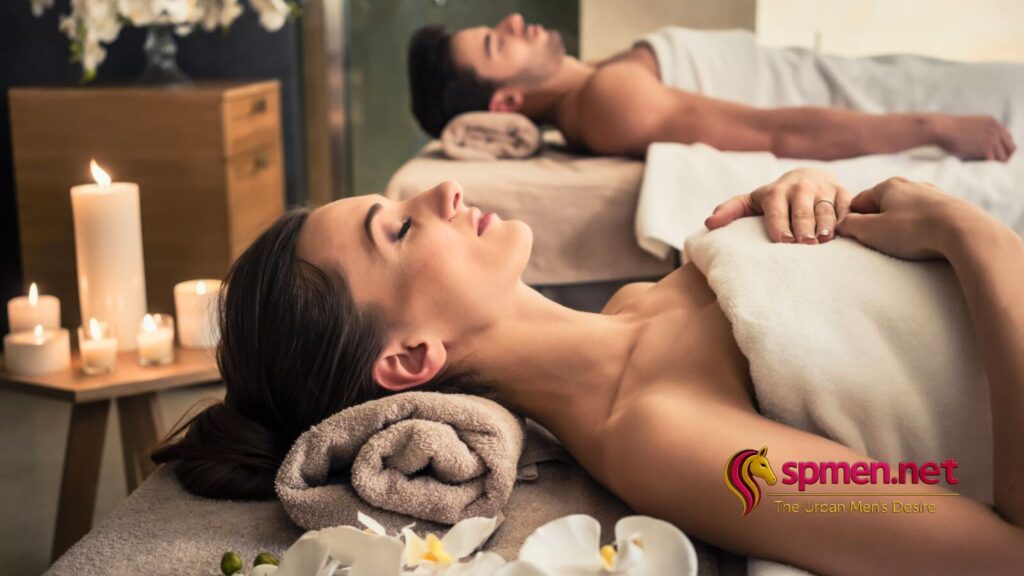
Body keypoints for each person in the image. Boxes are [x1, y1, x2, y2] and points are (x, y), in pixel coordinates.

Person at [152, 170, 1024, 573]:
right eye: (403, 229)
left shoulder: (640, 302)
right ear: (412, 358)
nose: (443, 193)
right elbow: (999, 557)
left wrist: (812, 201)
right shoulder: (656, 436)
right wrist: (971, 236)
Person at [407, 13, 1019, 162]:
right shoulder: (609, 103)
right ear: (507, 102)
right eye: (498, 44)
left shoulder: (598, 75)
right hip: (903, 109)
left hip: (883, 81)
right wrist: (935, 127)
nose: (515, 21)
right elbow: (775, 133)